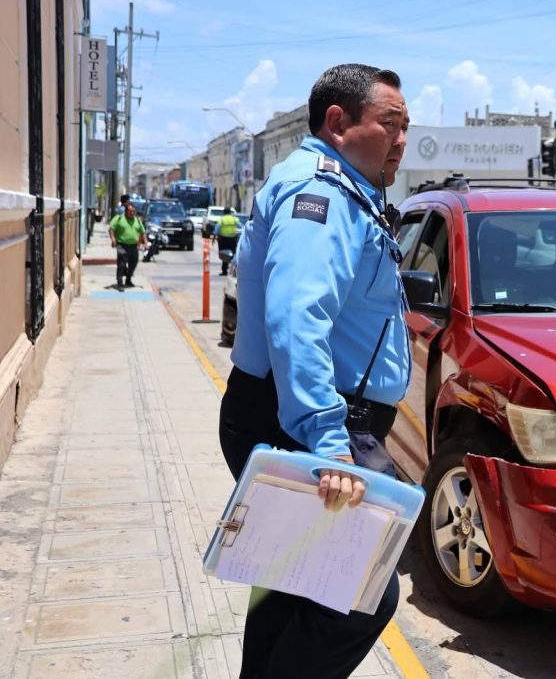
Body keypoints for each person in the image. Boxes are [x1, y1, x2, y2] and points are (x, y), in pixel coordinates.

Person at [218, 63, 410, 678]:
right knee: (360, 593)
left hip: (303, 414)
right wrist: (328, 445)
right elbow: (298, 320)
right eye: (390, 124)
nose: (402, 140)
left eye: (406, 127)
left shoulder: (345, 190)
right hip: (304, 421)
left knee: (290, 589)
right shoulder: (319, 194)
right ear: (338, 122)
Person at [108, 203, 147, 291]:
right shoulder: (119, 218)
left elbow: (143, 232)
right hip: (121, 244)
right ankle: (120, 282)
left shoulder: (137, 220)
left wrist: (145, 243)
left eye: (133, 211)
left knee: (133, 263)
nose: (132, 213)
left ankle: (128, 279)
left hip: (133, 246)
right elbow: (111, 229)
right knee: (121, 263)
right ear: (126, 211)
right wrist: (113, 239)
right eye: (130, 211)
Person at [214, 206, 240, 275]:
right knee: (234, 254)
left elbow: (216, 229)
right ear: (230, 212)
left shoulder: (221, 219)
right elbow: (241, 226)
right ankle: (235, 270)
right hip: (233, 239)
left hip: (223, 239)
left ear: (224, 212)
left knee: (224, 254)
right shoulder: (234, 219)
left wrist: (214, 237)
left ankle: (224, 270)